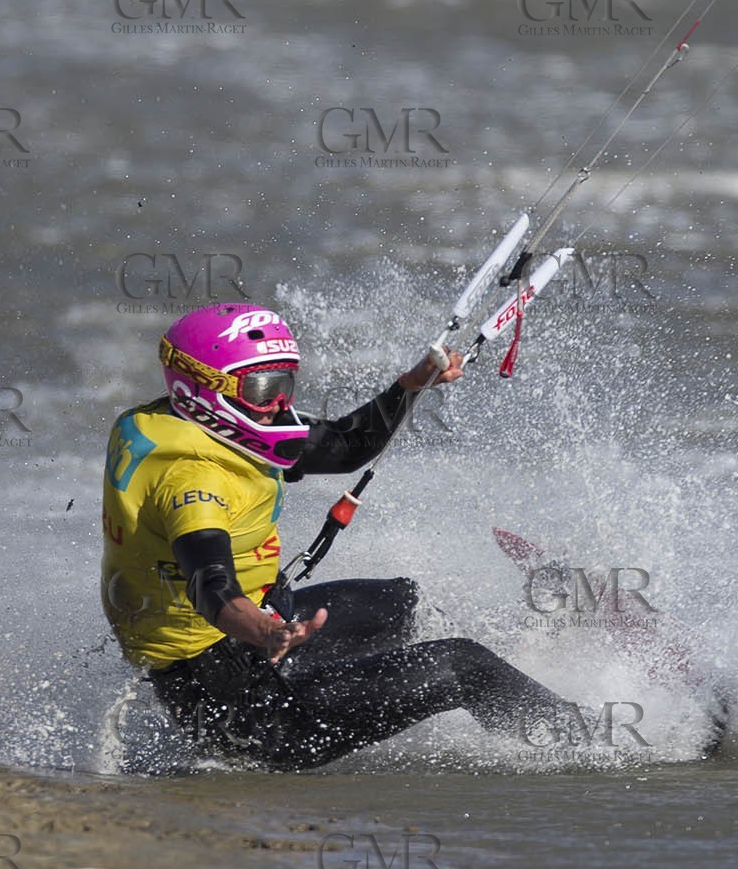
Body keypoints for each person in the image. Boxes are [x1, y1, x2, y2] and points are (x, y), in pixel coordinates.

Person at [101, 301, 573, 770]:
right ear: (202, 391)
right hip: (249, 712)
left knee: (405, 603)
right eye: (263, 388)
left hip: (255, 635)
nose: (280, 404)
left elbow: (346, 446)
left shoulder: (176, 422)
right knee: (461, 665)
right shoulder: (193, 482)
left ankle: (513, 677)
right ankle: (582, 739)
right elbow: (211, 586)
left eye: (285, 383)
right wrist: (268, 632)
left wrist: (409, 386)